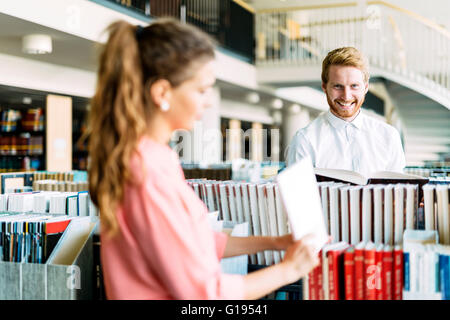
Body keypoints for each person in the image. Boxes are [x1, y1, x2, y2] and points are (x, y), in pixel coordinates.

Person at [87, 18, 319, 300]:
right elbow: (203, 294)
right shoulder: (147, 171)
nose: (209, 101)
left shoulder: (158, 157)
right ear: (162, 93)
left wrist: (275, 242)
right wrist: (289, 270)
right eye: (201, 90)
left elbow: (194, 242)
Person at [286, 47, 406, 176]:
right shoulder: (304, 141)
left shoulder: (389, 136)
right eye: (338, 86)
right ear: (324, 87)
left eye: (354, 86)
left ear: (365, 88)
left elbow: (397, 192)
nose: (346, 96)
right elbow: (298, 195)